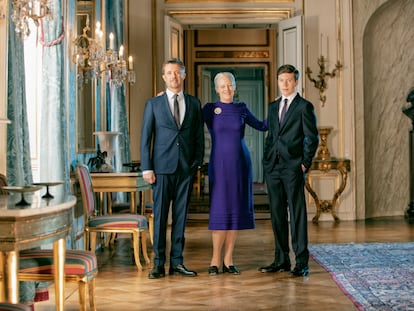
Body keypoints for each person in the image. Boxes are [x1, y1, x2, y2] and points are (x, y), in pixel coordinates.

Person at [140, 58, 204, 279]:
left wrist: (196, 162)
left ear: (183, 75)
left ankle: (177, 262)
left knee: (180, 217)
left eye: (177, 73)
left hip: (185, 169)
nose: (174, 76)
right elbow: (145, 138)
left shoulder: (194, 103)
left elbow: (198, 135)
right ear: (164, 77)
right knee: (159, 218)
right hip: (161, 170)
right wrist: (146, 168)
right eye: (169, 73)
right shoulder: (153, 104)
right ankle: (158, 263)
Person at [202, 72, 268, 275]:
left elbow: (262, 126)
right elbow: (186, 120)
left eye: (230, 85)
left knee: (235, 212)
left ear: (235, 87)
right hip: (219, 166)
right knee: (220, 211)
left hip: (241, 164)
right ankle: (215, 260)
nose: (227, 89)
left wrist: (279, 108)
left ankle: (229, 260)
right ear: (216, 89)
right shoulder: (209, 109)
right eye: (223, 86)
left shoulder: (242, 109)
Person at [260, 64, 319, 277]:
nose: (284, 84)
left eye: (288, 80)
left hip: (293, 167)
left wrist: (304, 163)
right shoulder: (273, 106)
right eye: (281, 80)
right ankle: (281, 259)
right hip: (273, 167)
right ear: (277, 82)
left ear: (296, 82)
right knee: (276, 215)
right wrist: (267, 161)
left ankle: (301, 262)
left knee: (297, 214)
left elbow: (312, 138)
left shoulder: (305, 106)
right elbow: (272, 136)